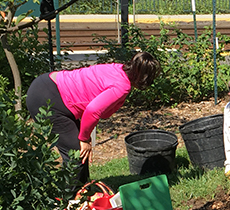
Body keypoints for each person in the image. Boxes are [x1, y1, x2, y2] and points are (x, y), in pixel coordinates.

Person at [26, 52, 161, 184]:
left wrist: (85, 136)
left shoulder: (118, 69)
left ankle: (83, 191)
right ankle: (69, 202)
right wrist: (84, 138)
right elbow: (92, 111)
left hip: (46, 84)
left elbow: (101, 111)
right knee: (76, 153)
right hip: (47, 98)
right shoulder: (122, 86)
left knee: (81, 152)